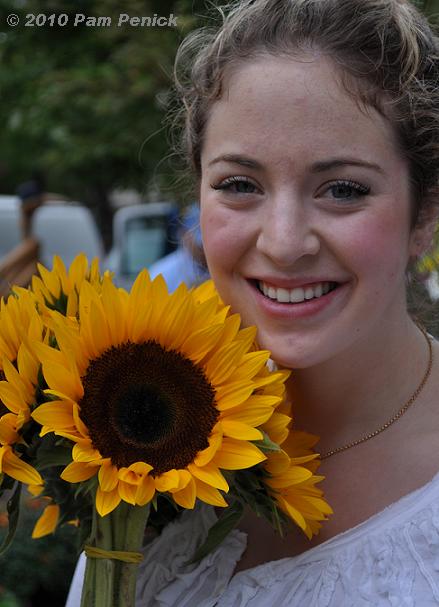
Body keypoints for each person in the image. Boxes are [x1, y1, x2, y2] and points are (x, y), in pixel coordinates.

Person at [66, 1, 439, 604]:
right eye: (240, 185)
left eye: (343, 189)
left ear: (424, 214)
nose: (284, 243)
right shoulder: (126, 427)